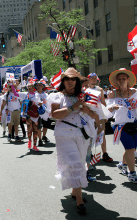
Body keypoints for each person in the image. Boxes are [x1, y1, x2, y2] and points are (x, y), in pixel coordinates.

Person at [48, 68, 95, 215]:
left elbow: (93, 114)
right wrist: (72, 107)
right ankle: (79, 201)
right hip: (64, 135)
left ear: (77, 82)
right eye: (67, 79)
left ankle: (76, 191)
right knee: (75, 164)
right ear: (63, 81)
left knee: (80, 163)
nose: (70, 81)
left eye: (73, 79)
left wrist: (86, 108)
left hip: (81, 134)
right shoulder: (56, 96)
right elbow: (55, 115)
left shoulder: (84, 96)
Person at [107, 68, 137, 183]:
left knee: (132, 148)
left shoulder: (135, 92)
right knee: (130, 148)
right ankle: (132, 173)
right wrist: (112, 108)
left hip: (134, 123)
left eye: (123, 78)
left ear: (128, 79)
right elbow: (108, 111)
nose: (121, 81)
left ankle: (122, 164)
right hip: (120, 125)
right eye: (119, 79)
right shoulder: (112, 93)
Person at [88, 73, 113, 162]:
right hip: (89, 115)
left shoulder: (100, 89)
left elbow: (103, 102)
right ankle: (89, 153)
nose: (94, 79)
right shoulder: (84, 89)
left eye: (95, 78)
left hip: (99, 114)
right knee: (89, 134)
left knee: (102, 134)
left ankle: (104, 153)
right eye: (92, 78)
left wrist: (105, 114)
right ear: (88, 79)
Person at [34, 80, 50, 146]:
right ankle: (40, 139)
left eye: (40, 85)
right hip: (38, 113)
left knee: (46, 126)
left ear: (43, 86)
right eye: (37, 85)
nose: (38, 86)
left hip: (45, 112)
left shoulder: (46, 94)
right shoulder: (34, 94)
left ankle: (44, 136)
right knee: (39, 127)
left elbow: (48, 103)